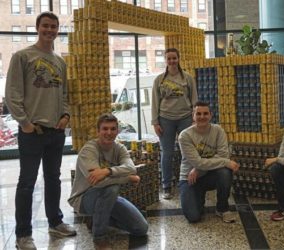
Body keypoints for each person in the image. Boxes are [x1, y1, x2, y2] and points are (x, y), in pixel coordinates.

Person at [5, 12, 76, 250]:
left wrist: (66, 116)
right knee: (27, 182)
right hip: (32, 131)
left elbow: (64, 94)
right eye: (45, 26)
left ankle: (55, 221)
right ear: (37, 28)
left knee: (53, 179)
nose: (50, 30)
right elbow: (12, 94)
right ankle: (23, 235)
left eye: (54, 27)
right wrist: (24, 122)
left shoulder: (60, 61)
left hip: (55, 131)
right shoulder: (22, 56)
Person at [68, 113, 148, 249]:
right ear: (98, 131)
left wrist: (107, 171)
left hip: (108, 198)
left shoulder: (119, 148)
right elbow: (97, 182)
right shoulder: (88, 150)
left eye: (113, 129)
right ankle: (99, 237)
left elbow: (131, 168)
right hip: (84, 198)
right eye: (105, 129)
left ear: (117, 131)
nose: (109, 133)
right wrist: (127, 178)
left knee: (141, 229)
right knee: (112, 188)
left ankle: (97, 219)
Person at [178, 101, 239, 223]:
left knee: (225, 172)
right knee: (193, 217)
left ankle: (222, 209)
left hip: (208, 174)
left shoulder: (218, 130)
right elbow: (199, 162)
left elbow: (223, 155)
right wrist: (225, 162)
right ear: (193, 116)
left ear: (210, 115)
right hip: (189, 178)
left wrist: (198, 168)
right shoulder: (184, 136)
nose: (202, 117)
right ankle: (198, 195)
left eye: (205, 113)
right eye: (198, 114)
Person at [151, 48, 198, 199]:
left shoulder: (188, 78)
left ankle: (188, 182)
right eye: (169, 58)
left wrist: (194, 119)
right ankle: (166, 186)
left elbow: (194, 99)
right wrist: (155, 122)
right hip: (165, 120)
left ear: (178, 59)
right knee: (167, 153)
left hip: (185, 118)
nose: (172, 61)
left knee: (187, 152)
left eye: (174, 58)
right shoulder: (159, 80)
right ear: (166, 60)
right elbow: (155, 102)